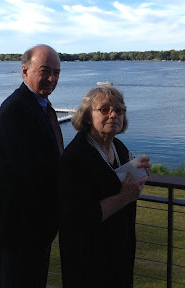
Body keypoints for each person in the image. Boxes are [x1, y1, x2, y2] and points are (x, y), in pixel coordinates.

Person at [0, 44, 63, 288]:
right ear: (25, 71)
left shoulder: (40, 105)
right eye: (45, 71)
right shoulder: (15, 110)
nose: (52, 78)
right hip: (17, 228)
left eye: (57, 72)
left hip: (35, 227)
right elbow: (29, 169)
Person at [58, 85, 151, 288]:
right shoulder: (75, 157)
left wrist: (139, 174)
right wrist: (125, 196)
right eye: (104, 109)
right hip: (88, 257)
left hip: (119, 249)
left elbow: (119, 184)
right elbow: (79, 217)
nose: (113, 115)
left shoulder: (118, 147)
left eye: (118, 110)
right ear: (87, 116)